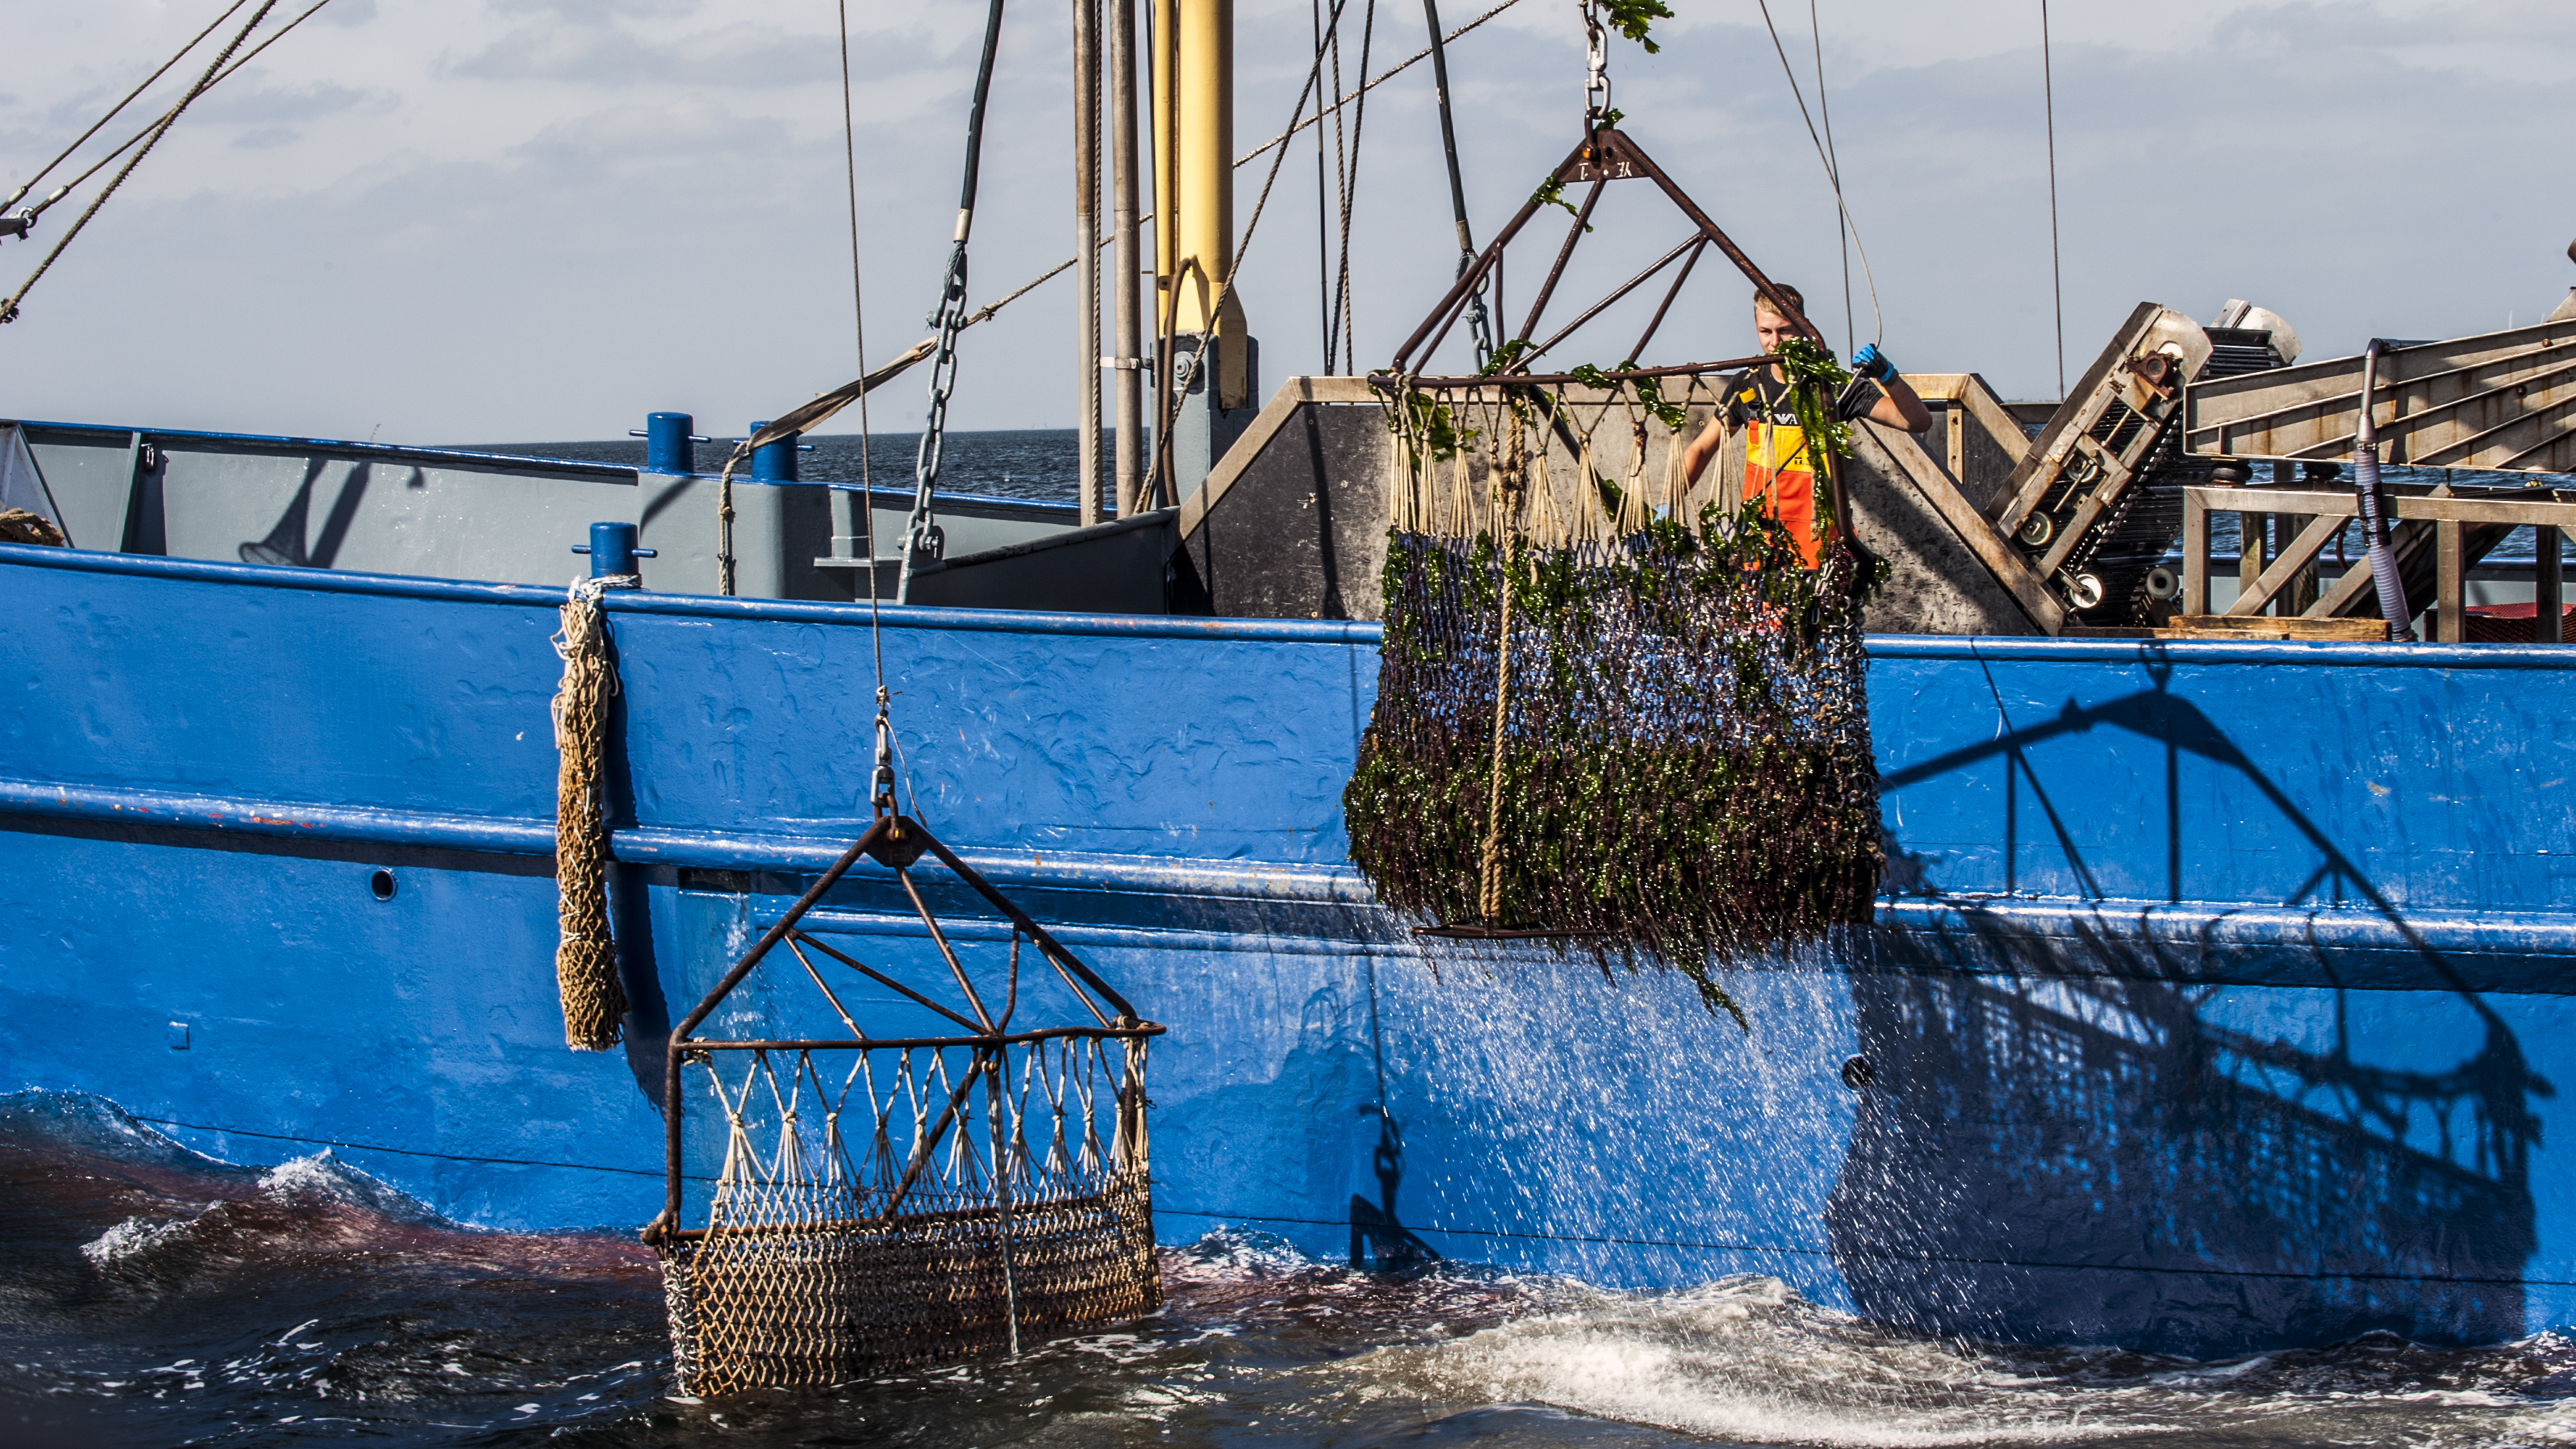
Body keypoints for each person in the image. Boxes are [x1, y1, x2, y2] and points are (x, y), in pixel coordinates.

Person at [1679, 285, 1931, 566]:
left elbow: (1917, 421)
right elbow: (1702, 449)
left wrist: (1888, 376)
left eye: (1784, 330)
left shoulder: (1832, 386)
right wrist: (1669, 502)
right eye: (1766, 332)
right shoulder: (1748, 385)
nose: (1775, 342)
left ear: (1803, 326)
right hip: (1760, 544)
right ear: (1756, 327)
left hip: (1819, 541)